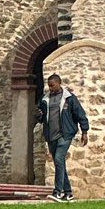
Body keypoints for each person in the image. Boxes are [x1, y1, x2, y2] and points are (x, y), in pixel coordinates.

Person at [36, 72, 89, 202]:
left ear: (59, 84)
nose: (50, 88)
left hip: (65, 134)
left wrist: (84, 131)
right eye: (49, 86)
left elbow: (80, 114)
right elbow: (42, 119)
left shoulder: (69, 98)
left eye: (52, 85)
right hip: (51, 135)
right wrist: (38, 115)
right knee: (59, 163)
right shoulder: (45, 99)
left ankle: (57, 192)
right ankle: (69, 193)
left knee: (59, 159)